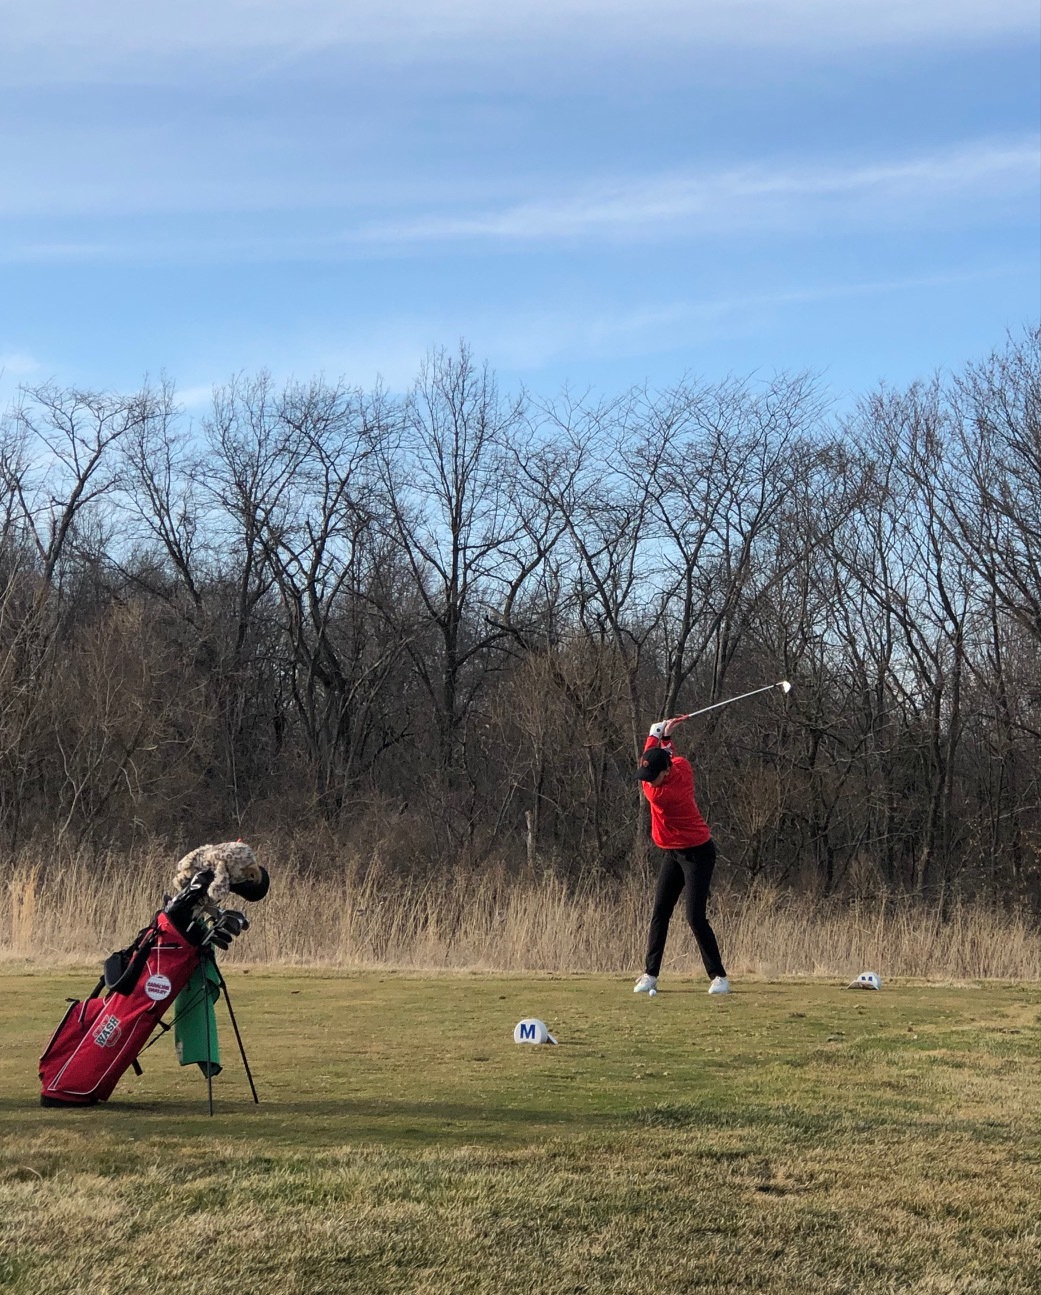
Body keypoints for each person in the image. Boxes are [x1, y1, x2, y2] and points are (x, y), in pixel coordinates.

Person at [633, 719, 729, 995]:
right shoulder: (679, 766)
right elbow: (659, 757)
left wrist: (656, 733)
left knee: (694, 916)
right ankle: (650, 974)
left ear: (666, 772)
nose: (648, 781)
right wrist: (663, 738)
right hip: (672, 853)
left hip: (698, 852)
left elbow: (662, 757)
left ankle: (719, 977)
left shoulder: (662, 794)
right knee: (660, 912)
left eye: (654, 776)